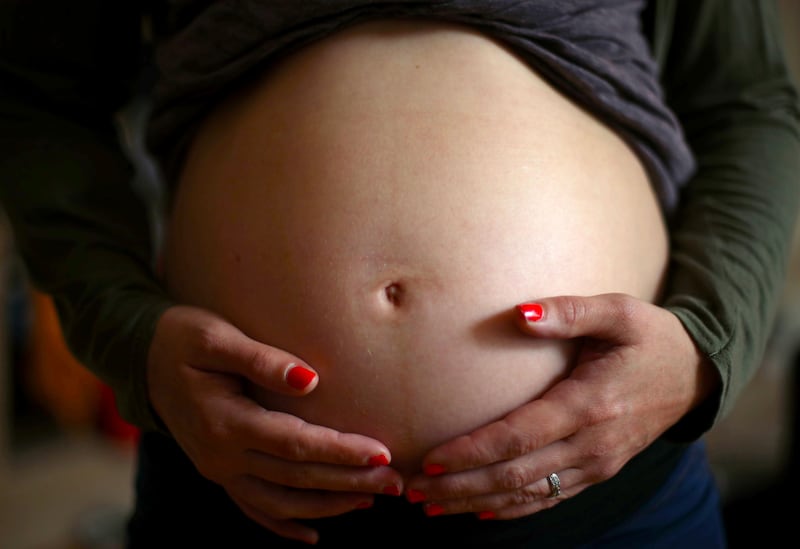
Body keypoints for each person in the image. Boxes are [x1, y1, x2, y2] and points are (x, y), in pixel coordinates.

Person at [0, 1, 797, 548]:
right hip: (237, 493)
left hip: (605, 501)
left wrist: (702, 347)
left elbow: (748, 101)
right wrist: (128, 334)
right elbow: (41, 99)